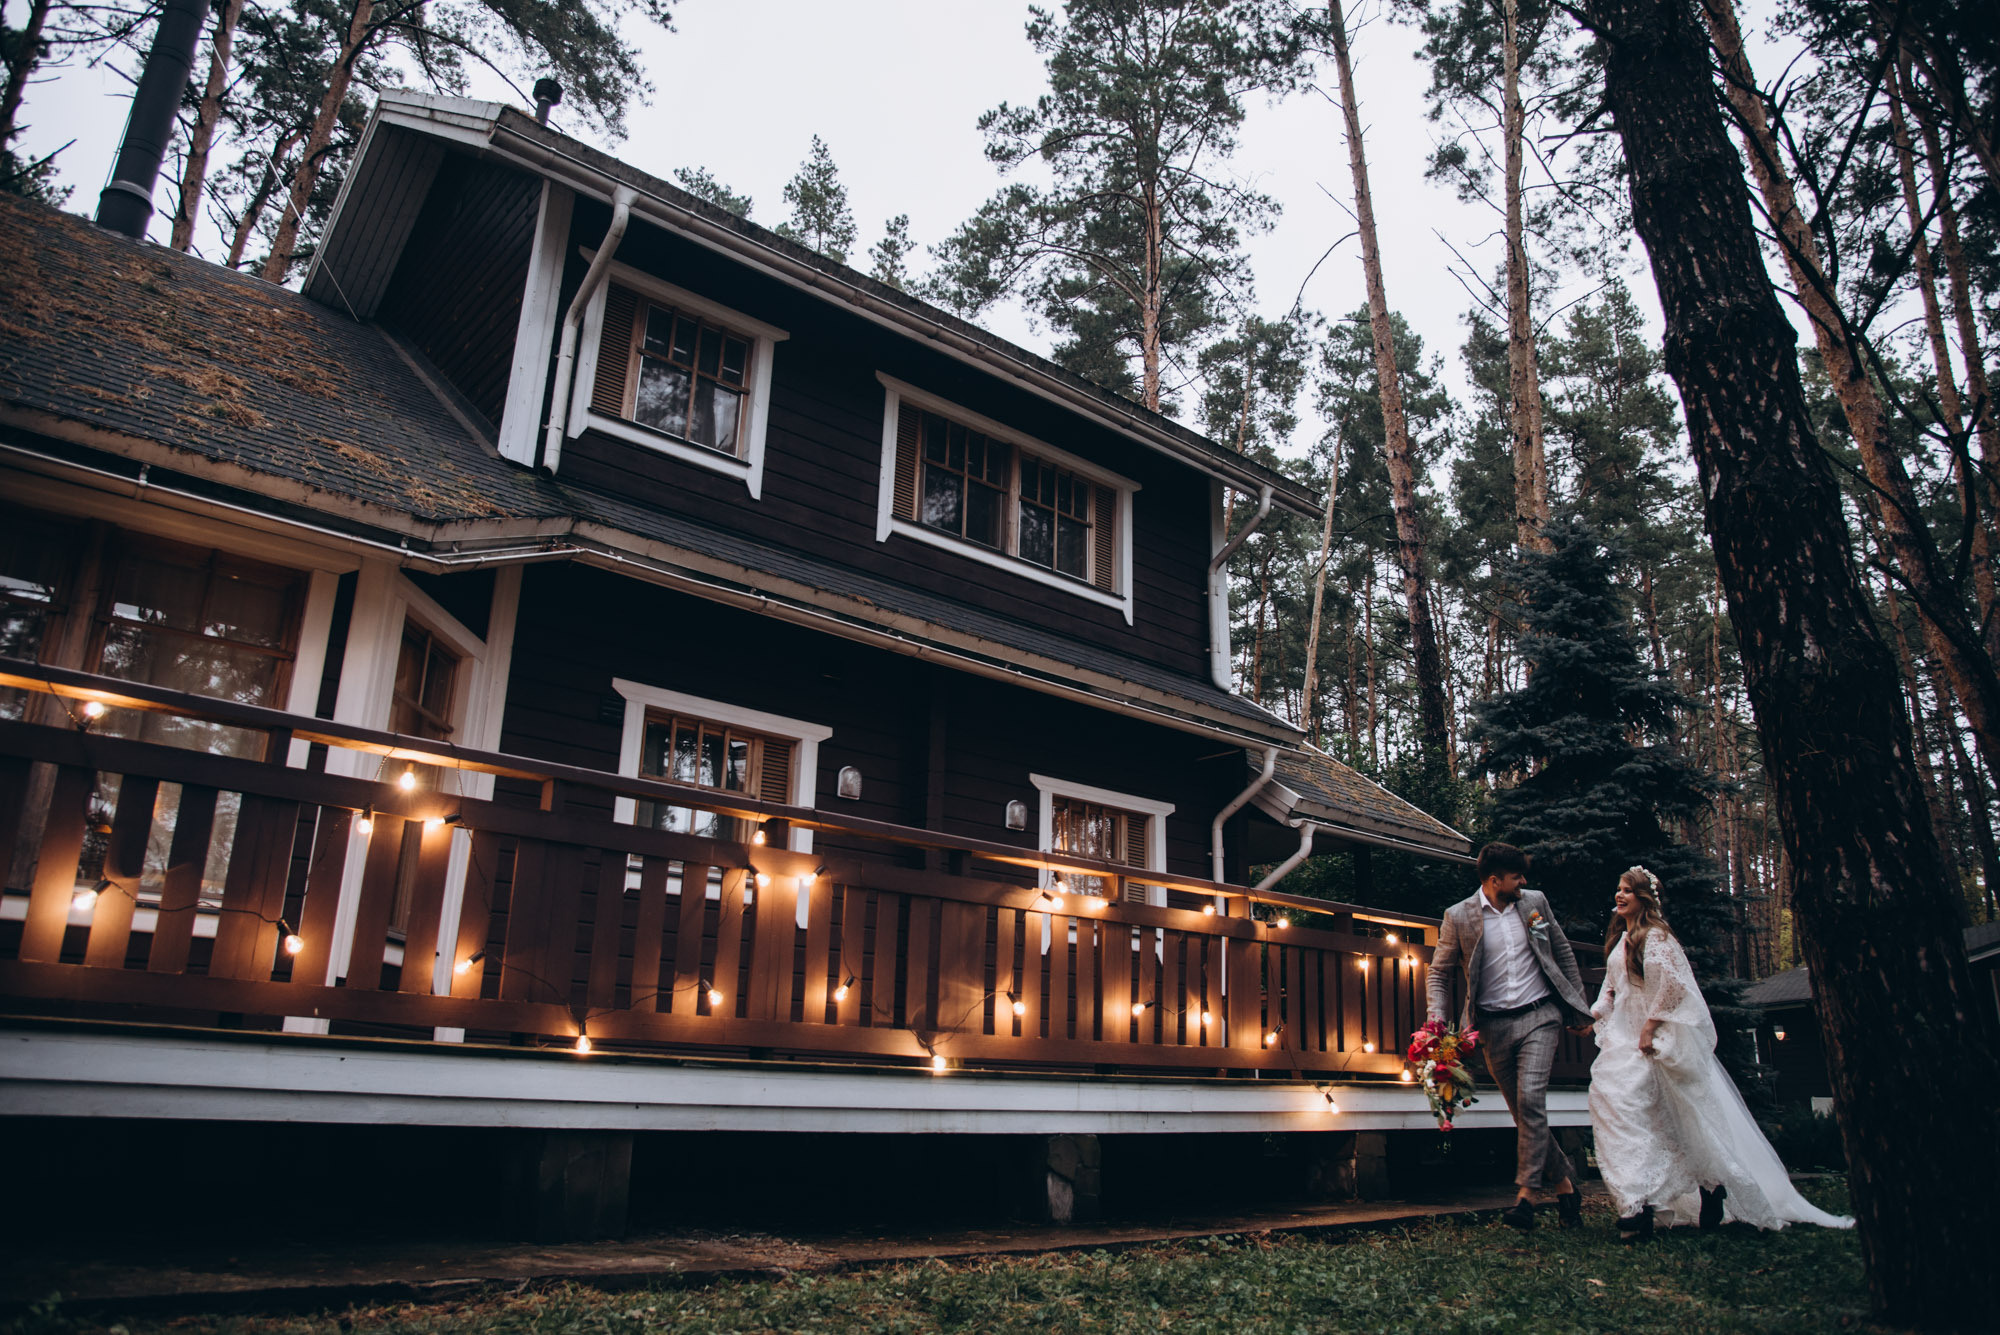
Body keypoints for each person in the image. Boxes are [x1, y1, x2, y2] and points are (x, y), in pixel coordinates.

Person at [1588, 866, 1854, 1241]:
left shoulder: (1657, 937)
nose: (1619, 895)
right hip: (1622, 1039)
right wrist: (1596, 1015)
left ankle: (1701, 1187)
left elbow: (1676, 988)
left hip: (1653, 1040)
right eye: (1618, 889)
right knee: (1619, 1108)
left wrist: (1650, 1027)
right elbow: (1612, 988)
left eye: (1627, 890)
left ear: (1643, 898)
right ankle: (1640, 1200)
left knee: (1677, 1118)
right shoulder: (1622, 940)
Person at [1425, 841, 1594, 1230]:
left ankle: (1526, 1198)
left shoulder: (1534, 902)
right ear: (1494, 880)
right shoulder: (1459, 916)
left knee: (1532, 1099)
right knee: (1524, 1113)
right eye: (1517, 876)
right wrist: (1437, 1021)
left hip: (1541, 1016)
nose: (1524, 881)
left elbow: (1562, 952)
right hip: (1493, 1028)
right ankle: (1567, 1187)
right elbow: (1439, 972)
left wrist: (1578, 1007)